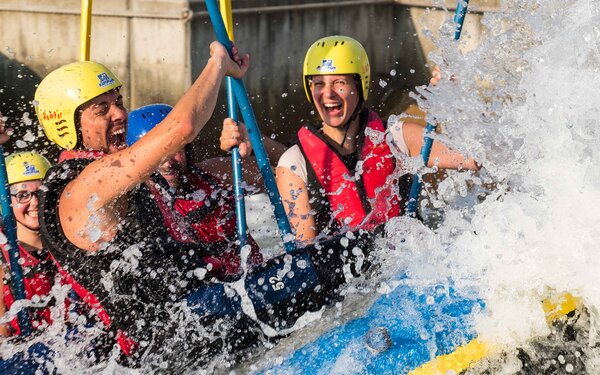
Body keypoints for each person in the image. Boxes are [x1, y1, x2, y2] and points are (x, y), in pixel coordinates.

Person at [34, 42, 256, 364]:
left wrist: (238, 145)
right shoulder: (85, 186)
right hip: (165, 354)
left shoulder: (115, 173)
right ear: (67, 125)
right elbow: (182, 127)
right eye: (102, 109)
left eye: (119, 101)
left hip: (192, 327)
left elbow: (205, 166)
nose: (120, 114)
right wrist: (218, 64)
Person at [220, 35, 479, 244]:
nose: (328, 94)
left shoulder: (397, 137)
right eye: (319, 84)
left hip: (406, 269)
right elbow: (306, 255)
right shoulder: (293, 164)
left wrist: (455, 102)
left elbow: (472, 159)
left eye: (339, 82)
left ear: (360, 85)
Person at [126, 104, 263, 278]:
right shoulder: (139, 205)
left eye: (173, 151)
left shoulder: (214, 173)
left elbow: (282, 170)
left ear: (186, 148)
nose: (167, 164)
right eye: (155, 156)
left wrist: (254, 137)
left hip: (254, 280)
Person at [0, 151, 57, 337]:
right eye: (22, 195)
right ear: (6, 201)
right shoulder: (3, 261)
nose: (35, 202)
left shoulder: (68, 242)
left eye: (41, 193)